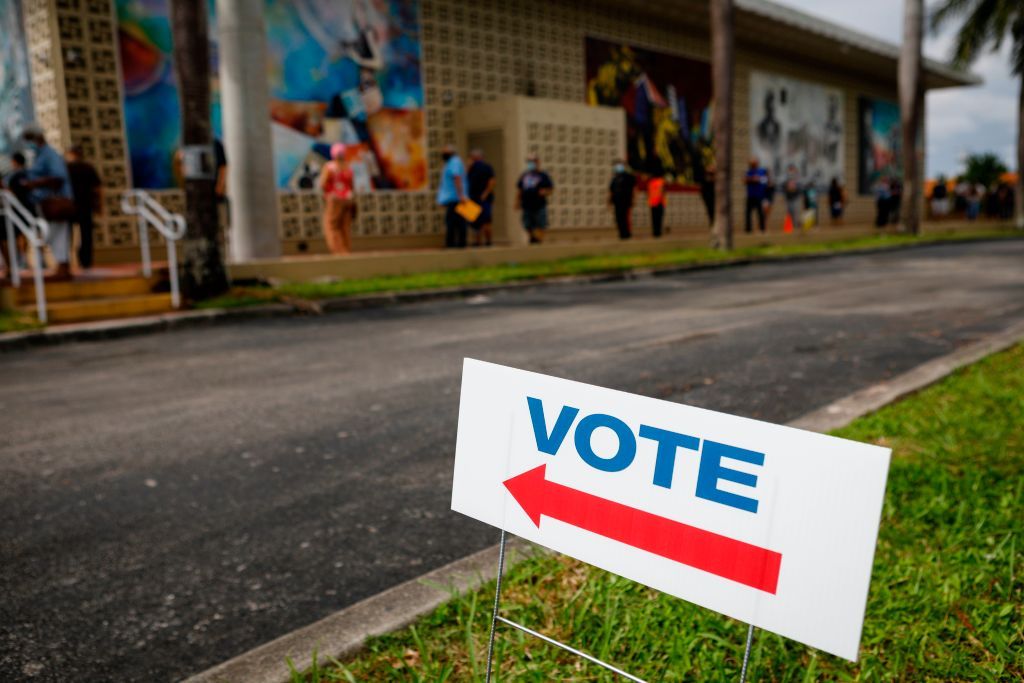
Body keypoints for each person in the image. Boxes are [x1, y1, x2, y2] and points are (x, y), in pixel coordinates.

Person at [21, 125, 73, 279]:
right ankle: (62, 268)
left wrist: (33, 184)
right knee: (53, 236)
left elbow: (58, 177)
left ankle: (63, 268)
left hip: (55, 202)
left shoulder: (49, 154)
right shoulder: (39, 155)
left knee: (55, 235)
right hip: (45, 203)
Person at [65, 144, 103, 270]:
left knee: (67, 235)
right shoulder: (88, 168)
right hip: (85, 206)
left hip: (70, 206)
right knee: (86, 235)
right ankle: (85, 261)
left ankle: (66, 260)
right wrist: (99, 206)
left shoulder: (65, 168)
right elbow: (97, 189)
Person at [318, 143, 356, 254]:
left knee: (331, 226)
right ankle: (347, 251)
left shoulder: (329, 167)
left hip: (334, 199)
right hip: (348, 199)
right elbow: (352, 186)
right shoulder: (348, 167)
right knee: (345, 227)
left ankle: (339, 252)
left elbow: (323, 184)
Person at [516, 153, 553, 244]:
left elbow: (550, 189)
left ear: (537, 162)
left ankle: (539, 241)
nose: (531, 163)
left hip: (539, 204)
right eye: (529, 161)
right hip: (527, 204)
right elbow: (520, 189)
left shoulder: (543, 175)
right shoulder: (524, 175)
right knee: (527, 224)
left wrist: (545, 192)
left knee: (541, 223)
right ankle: (533, 238)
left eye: (532, 161)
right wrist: (517, 202)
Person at [436, 144, 468, 248]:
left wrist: (461, 195)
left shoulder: (454, 161)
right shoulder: (450, 162)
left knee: (453, 222)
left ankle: (453, 245)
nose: (443, 154)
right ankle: (457, 244)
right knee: (456, 222)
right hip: (453, 198)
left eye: (445, 152)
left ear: (451, 152)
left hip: (456, 198)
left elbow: (457, 178)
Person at [466, 148, 495, 247]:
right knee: (475, 222)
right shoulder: (471, 168)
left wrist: (485, 194)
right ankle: (477, 242)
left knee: (486, 221)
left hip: (484, 199)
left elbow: (491, 182)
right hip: (472, 198)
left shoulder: (487, 167)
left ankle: (488, 242)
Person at [608, 160, 636, 239]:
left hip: (626, 200)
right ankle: (621, 234)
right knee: (618, 218)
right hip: (617, 201)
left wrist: (634, 199)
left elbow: (634, 188)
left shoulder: (629, 177)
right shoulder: (615, 178)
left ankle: (627, 234)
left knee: (625, 217)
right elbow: (611, 191)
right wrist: (609, 201)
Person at [744, 157, 767, 233]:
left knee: (760, 213)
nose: (752, 163)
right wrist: (752, 179)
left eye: (754, 162)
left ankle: (762, 228)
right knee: (748, 213)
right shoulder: (748, 171)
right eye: (751, 162)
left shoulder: (761, 171)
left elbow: (764, 180)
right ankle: (748, 229)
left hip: (759, 195)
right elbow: (745, 180)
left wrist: (756, 179)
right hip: (750, 195)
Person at [647, 171, 666, 237]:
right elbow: (661, 191)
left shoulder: (651, 182)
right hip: (658, 202)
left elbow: (649, 192)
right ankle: (657, 232)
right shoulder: (660, 181)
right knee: (658, 218)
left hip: (654, 202)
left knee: (654, 219)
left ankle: (656, 232)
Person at [783, 164, 802, 231]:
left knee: (795, 212)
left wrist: (795, 188)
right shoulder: (786, 178)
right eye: (790, 169)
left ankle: (796, 226)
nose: (791, 171)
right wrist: (787, 187)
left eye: (792, 169)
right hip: (789, 197)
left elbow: (799, 187)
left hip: (795, 197)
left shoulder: (797, 178)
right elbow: (784, 186)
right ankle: (790, 227)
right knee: (789, 212)